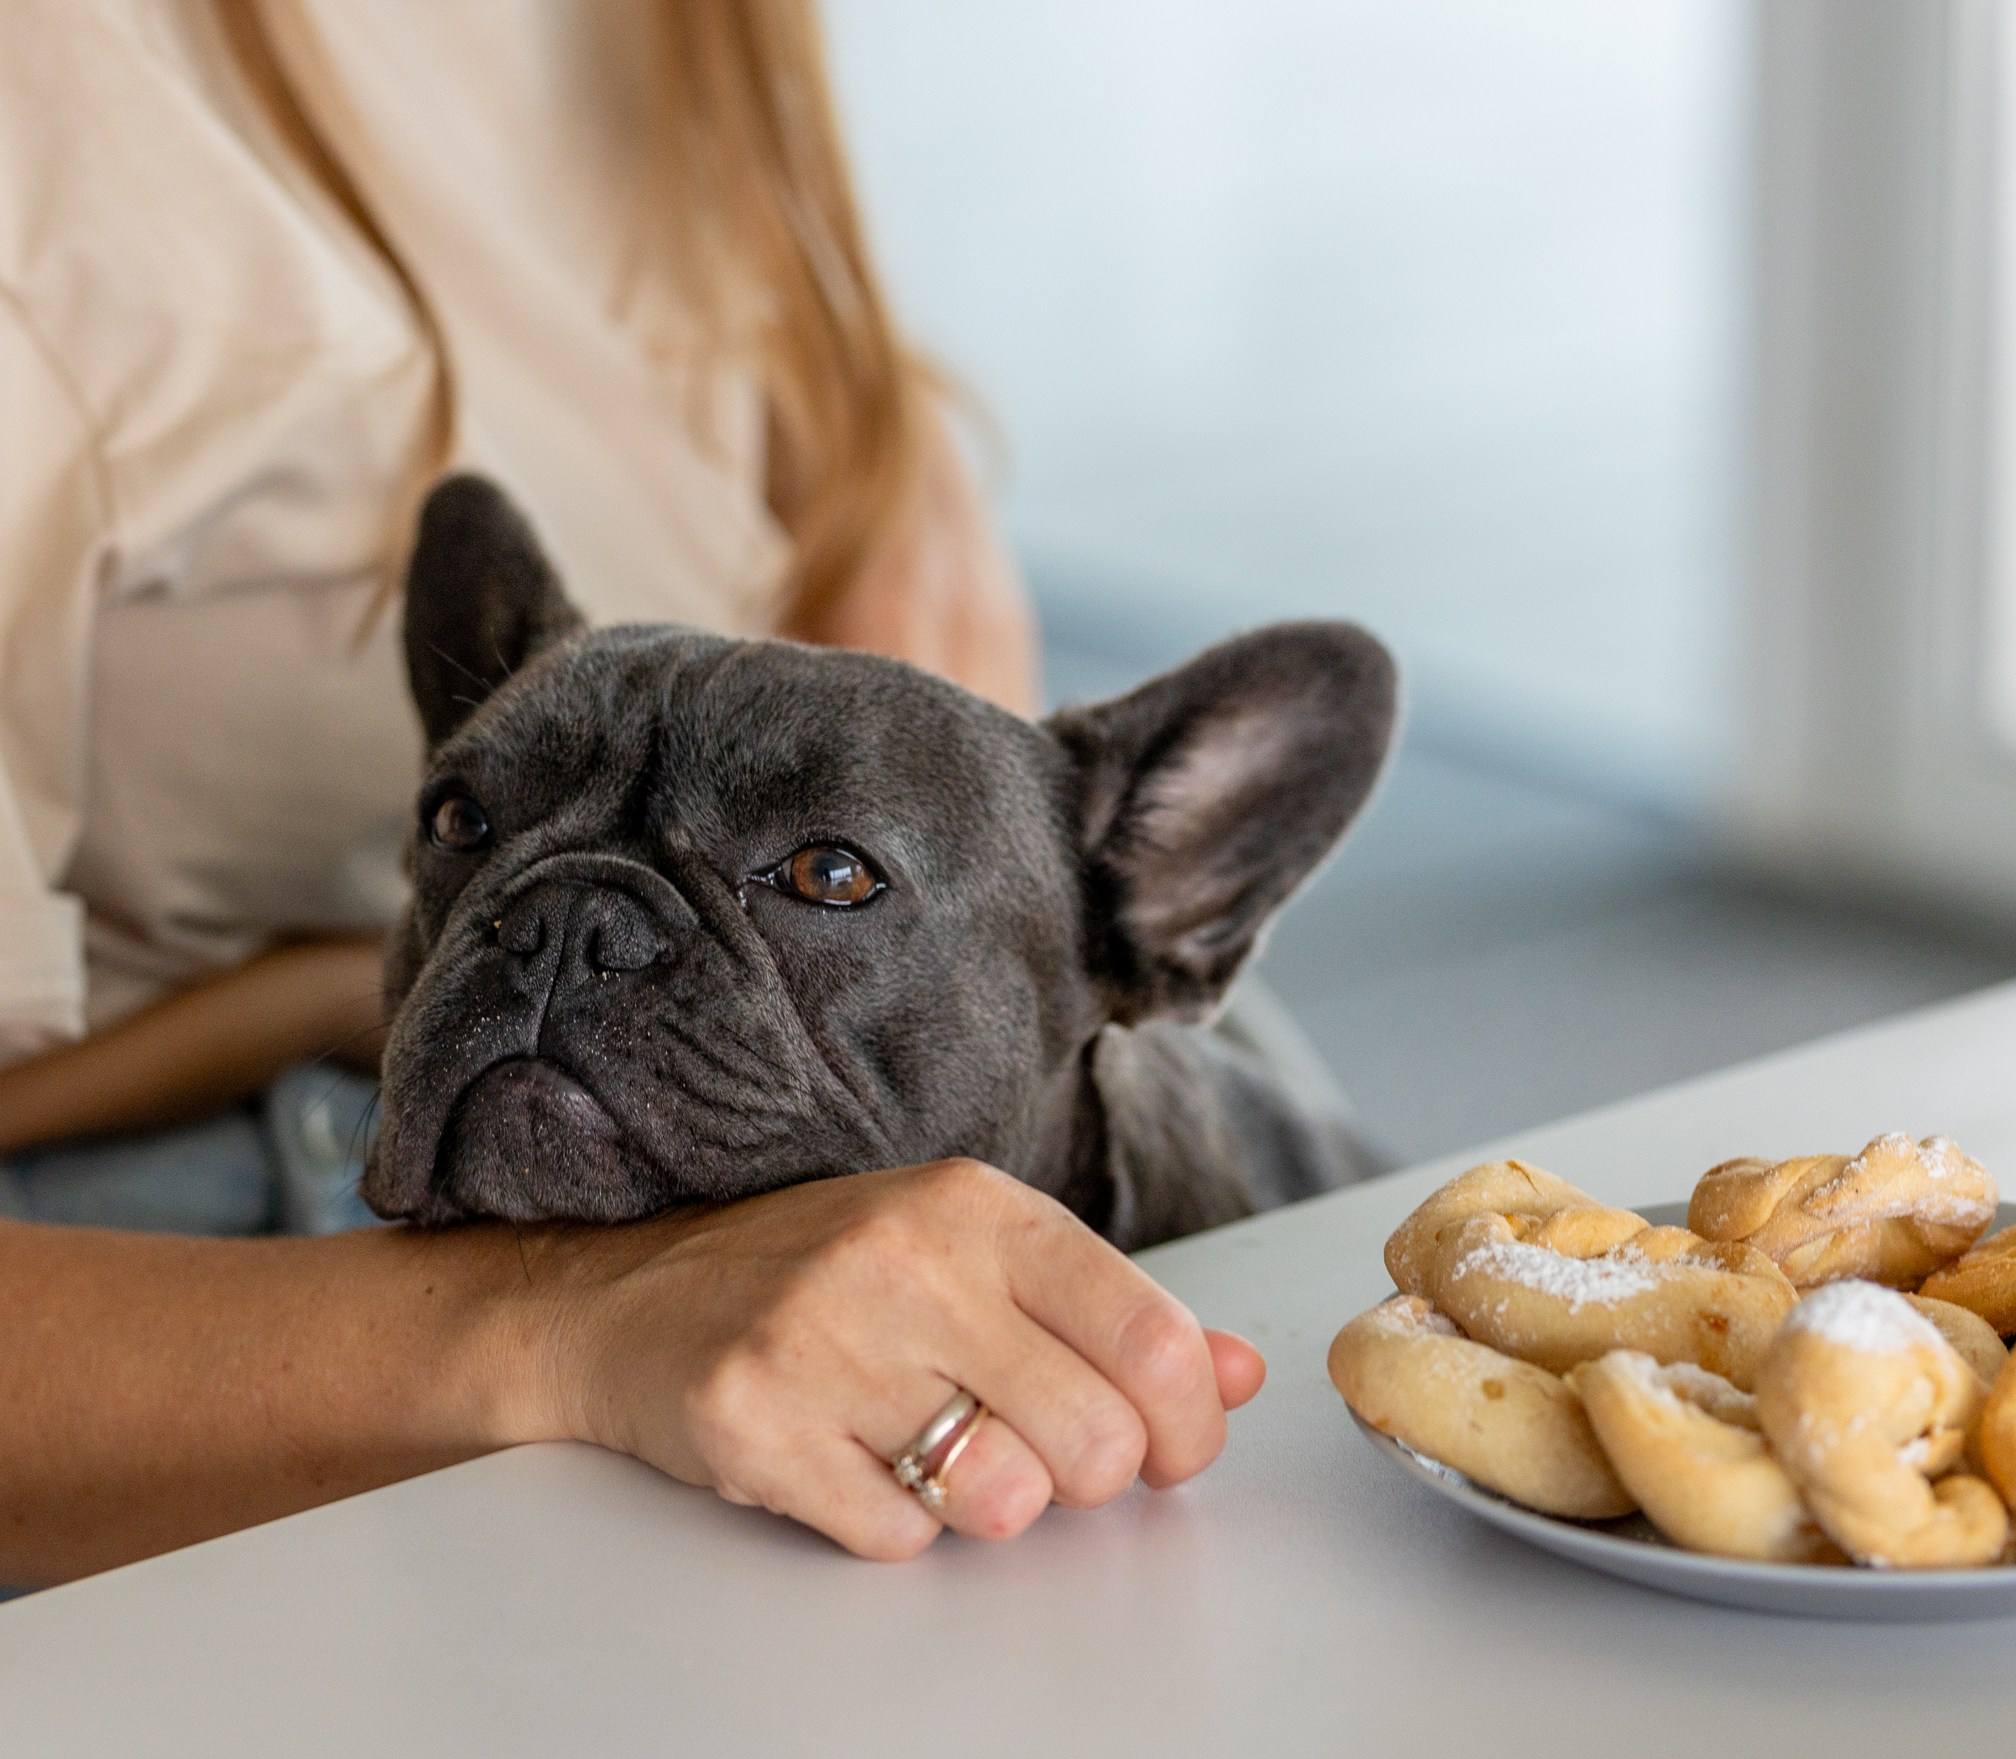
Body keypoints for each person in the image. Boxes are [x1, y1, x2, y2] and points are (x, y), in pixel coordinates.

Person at [0, 0, 1263, 1589]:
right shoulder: (56, 93)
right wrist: (565, 1320)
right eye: (474, 829)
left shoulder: (707, 45)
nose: (570, 941)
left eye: (813, 875)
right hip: (200, 1273)